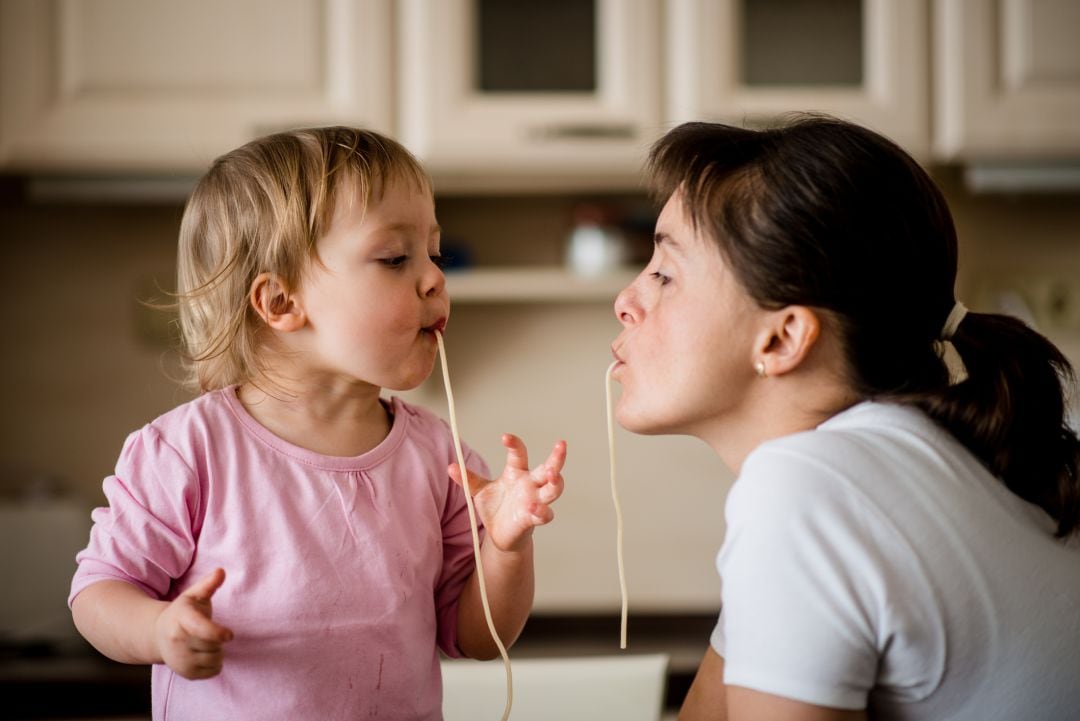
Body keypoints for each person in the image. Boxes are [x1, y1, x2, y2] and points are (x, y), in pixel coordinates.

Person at [69, 127, 566, 721]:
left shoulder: (441, 457)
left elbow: (480, 640)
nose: (435, 277)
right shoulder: (188, 450)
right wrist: (159, 629)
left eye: (433, 253)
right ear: (280, 303)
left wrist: (507, 549)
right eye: (395, 258)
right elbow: (97, 596)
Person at [610, 115, 1080, 721]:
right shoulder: (892, 462)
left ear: (783, 339)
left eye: (664, 274)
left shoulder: (805, 490)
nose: (626, 302)